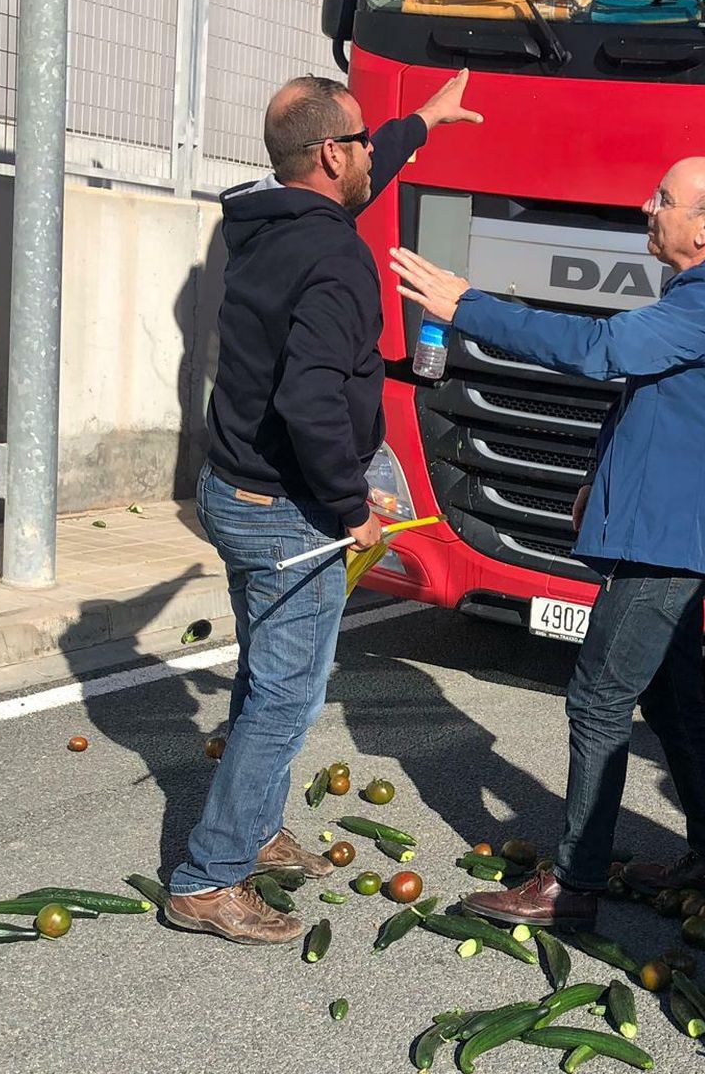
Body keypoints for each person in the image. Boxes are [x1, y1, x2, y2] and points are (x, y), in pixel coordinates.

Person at [389, 157, 705, 931]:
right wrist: (599, 478)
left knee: (598, 697)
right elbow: (651, 400)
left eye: (663, 198)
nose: (646, 206)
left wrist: (468, 306)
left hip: (667, 543)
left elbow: (601, 350)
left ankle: (573, 886)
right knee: (672, 697)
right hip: (669, 530)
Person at [164, 68, 481, 945]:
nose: (376, 152)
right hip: (284, 511)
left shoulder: (264, 221)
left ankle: (255, 827)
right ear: (332, 155)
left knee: (265, 677)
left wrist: (424, 121)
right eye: (365, 141)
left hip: (232, 487)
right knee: (287, 699)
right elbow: (310, 400)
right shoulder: (337, 257)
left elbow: (360, 160)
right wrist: (349, 506)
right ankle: (208, 877)